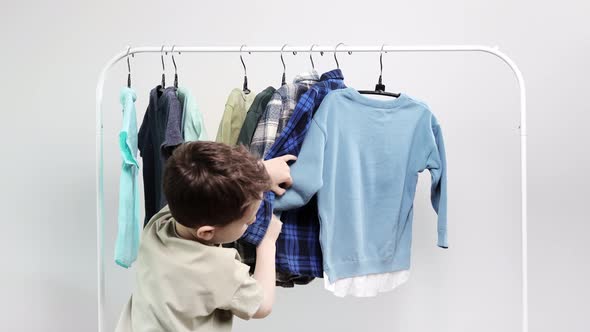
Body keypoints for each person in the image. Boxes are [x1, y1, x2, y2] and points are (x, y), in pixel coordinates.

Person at [114, 141, 296, 332]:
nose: (253, 222)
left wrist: (258, 174)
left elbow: (202, 186)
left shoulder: (159, 223)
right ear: (207, 232)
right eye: (247, 221)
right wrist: (267, 242)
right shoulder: (218, 269)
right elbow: (262, 305)